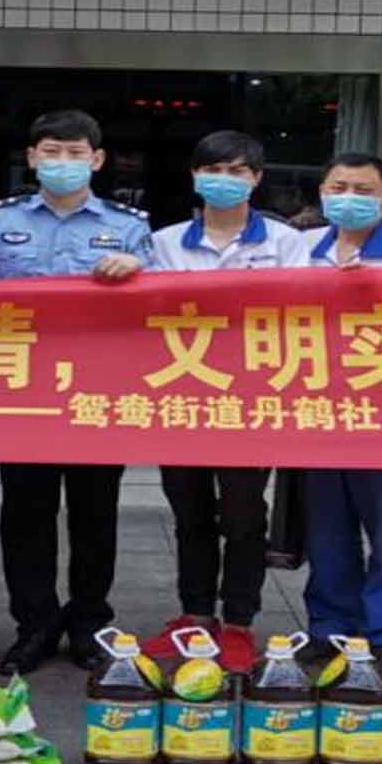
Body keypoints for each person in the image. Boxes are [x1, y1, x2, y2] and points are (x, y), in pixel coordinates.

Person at [0, 110, 153, 677]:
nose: (63, 162)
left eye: (75, 153)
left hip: (98, 393)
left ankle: (89, 623)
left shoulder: (129, 227)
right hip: (22, 390)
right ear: (32, 157)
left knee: (95, 514)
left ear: (97, 160)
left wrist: (138, 272)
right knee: (24, 515)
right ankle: (33, 626)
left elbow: (159, 305)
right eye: (52, 152)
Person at [142, 129, 305, 673]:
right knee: (189, 511)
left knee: (243, 514)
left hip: (251, 401)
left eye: (237, 171)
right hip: (181, 399)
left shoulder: (286, 244)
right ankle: (194, 615)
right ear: (195, 176)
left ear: (256, 179)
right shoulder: (163, 243)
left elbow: (304, 313)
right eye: (213, 170)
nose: (225, 180)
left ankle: (238, 621)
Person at [298, 152, 382, 667]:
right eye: (339, 188)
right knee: (325, 526)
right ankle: (330, 624)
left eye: (363, 189)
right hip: (315, 408)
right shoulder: (297, 249)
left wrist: (370, 290)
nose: (349, 198)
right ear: (322, 192)